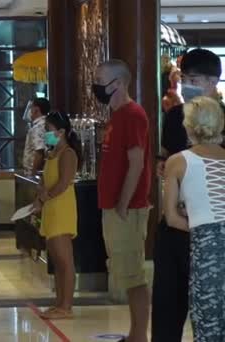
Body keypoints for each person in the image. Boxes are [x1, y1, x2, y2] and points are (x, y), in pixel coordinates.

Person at [152, 48, 224, 342]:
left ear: (213, 81)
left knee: (211, 316)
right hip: (177, 227)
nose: (188, 85)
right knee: (168, 304)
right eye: (185, 79)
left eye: (195, 79)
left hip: (213, 232)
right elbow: (167, 155)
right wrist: (165, 168)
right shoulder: (175, 117)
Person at [94, 59, 152, 342]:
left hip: (127, 208)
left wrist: (123, 204)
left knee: (133, 275)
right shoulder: (115, 115)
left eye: (101, 79)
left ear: (119, 83)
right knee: (124, 273)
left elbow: (137, 162)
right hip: (113, 205)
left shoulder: (132, 114)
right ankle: (135, 334)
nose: (97, 84)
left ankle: (139, 335)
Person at [163, 97, 225, 342]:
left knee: (208, 325)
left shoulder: (178, 162)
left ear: (188, 127)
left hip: (206, 253)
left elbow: (171, 217)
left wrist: (203, 228)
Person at [33, 111, 81, 320]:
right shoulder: (51, 154)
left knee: (65, 261)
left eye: (48, 130)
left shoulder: (68, 154)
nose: (45, 134)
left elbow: (62, 184)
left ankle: (66, 306)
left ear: (61, 132)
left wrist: (45, 197)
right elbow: (45, 181)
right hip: (50, 210)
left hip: (61, 209)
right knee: (56, 261)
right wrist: (38, 200)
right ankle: (59, 303)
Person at [23, 98, 50, 176]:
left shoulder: (38, 127)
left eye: (31, 107)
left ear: (36, 109)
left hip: (35, 173)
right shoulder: (48, 124)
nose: (29, 110)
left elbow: (39, 152)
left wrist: (33, 173)